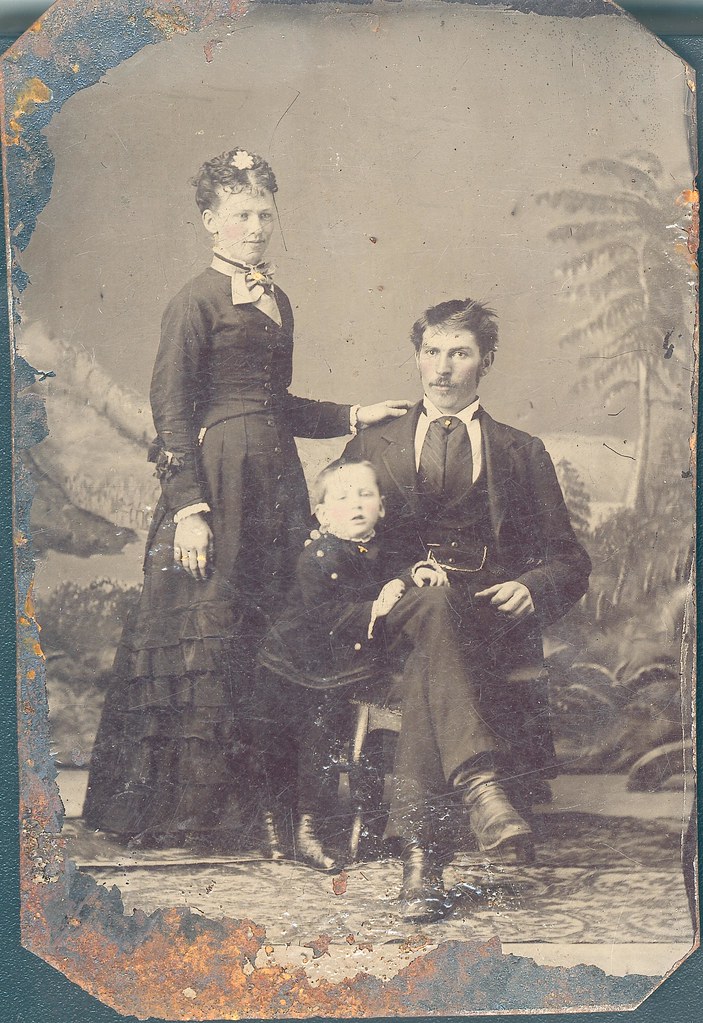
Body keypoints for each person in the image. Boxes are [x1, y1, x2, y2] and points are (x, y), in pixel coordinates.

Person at [82, 147, 409, 852]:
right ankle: (185, 815)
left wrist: (355, 414)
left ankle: (266, 812)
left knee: (271, 641)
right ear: (210, 220)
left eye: (264, 214)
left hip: (276, 487)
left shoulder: (277, 299)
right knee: (210, 637)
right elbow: (171, 411)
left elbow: (276, 403)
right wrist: (189, 510)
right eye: (241, 215)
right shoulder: (193, 301)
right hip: (219, 486)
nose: (256, 227)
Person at [342, 298, 591, 918]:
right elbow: (335, 542)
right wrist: (399, 577)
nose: (442, 368)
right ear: (417, 357)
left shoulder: (521, 450)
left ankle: (422, 865)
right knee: (431, 612)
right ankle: (481, 789)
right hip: (396, 614)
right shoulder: (372, 444)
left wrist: (532, 585)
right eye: (432, 352)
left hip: (487, 620)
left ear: (487, 361)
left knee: (435, 658)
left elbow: (569, 559)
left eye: (459, 353)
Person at [255, 458, 448, 873]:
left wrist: (412, 573)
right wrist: (374, 607)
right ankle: (283, 829)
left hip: (348, 660)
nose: (357, 504)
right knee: (291, 736)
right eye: (343, 498)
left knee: (324, 732)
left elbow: (401, 565)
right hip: (298, 659)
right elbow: (322, 615)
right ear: (323, 515)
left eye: (366, 495)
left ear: (382, 506)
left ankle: (310, 830)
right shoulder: (317, 557)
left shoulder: (385, 545)